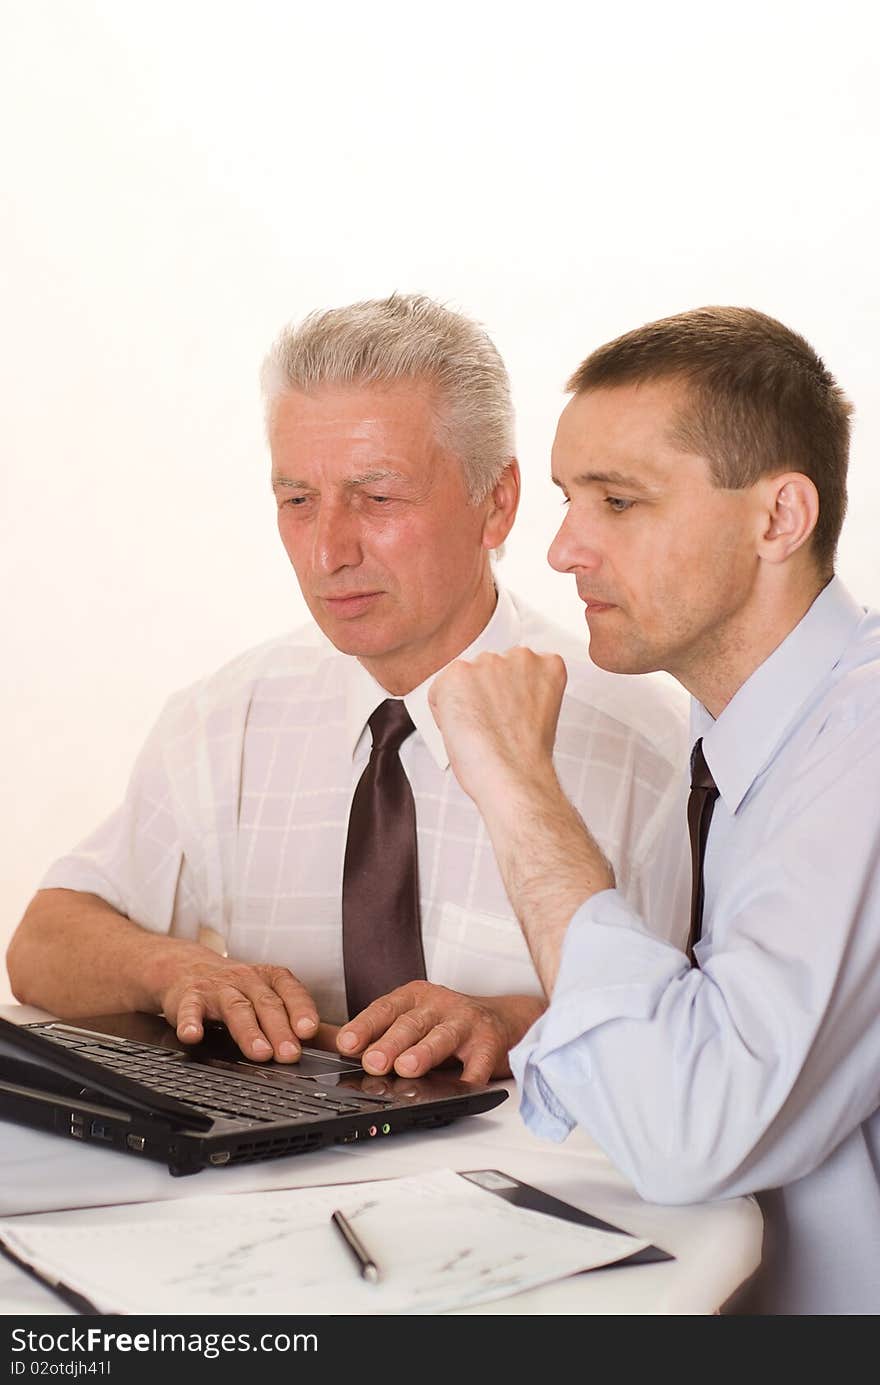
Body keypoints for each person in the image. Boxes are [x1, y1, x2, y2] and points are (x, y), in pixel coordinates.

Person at [6, 293, 689, 1086]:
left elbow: (694, 1043)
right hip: (266, 1193)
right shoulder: (224, 719)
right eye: (297, 500)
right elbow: (42, 941)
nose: (329, 550)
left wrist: (515, 1021)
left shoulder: (642, 743)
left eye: (378, 497)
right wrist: (172, 969)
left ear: (496, 503)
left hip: (534, 1197)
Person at [427, 305, 880, 1314]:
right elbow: (709, 1038)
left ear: (778, 519)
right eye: (565, 499)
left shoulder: (862, 751)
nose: (561, 550)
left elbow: (686, 1129)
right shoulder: (730, 732)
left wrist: (518, 786)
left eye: (617, 502)